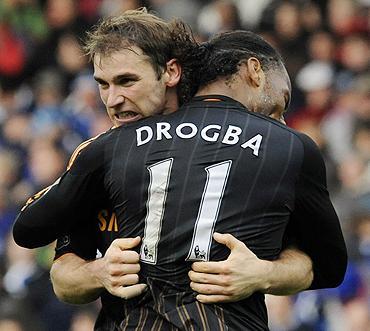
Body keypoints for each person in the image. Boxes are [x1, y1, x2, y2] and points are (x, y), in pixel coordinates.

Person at [12, 20, 347, 329]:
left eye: (127, 81)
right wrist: (98, 272)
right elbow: (59, 271)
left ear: (170, 73)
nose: (112, 100)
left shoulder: (110, 149)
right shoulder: (104, 152)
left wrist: (264, 273)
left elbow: (318, 263)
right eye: (103, 85)